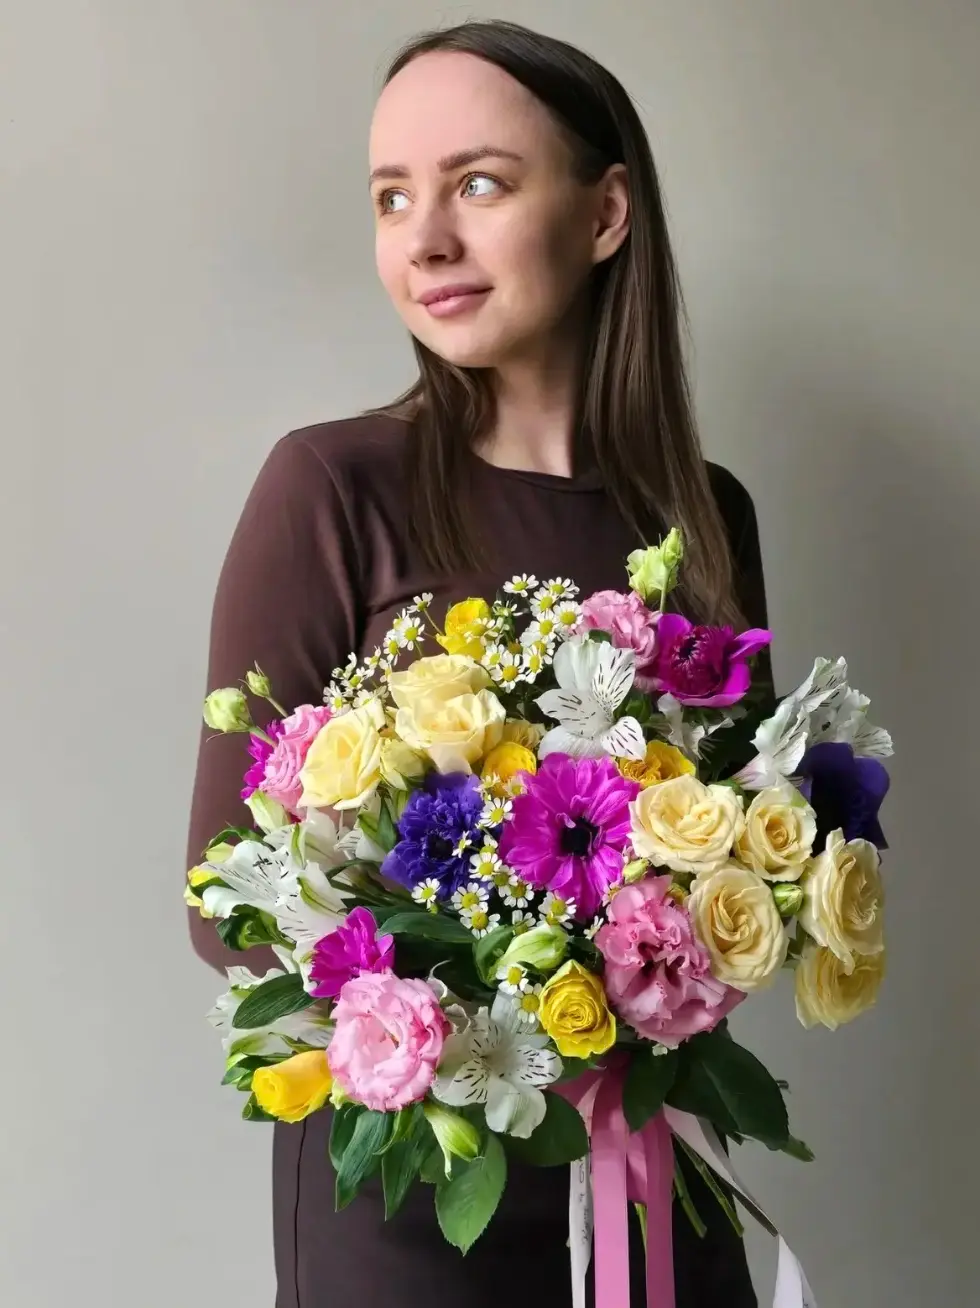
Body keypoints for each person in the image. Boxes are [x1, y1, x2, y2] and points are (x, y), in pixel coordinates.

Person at [186, 18, 773, 1308]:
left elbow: (751, 870)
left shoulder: (704, 513)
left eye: (480, 184)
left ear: (605, 213)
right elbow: (226, 906)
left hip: (655, 1182)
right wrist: (497, 1001)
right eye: (393, 198)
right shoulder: (332, 486)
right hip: (418, 1200)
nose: (426, 239)